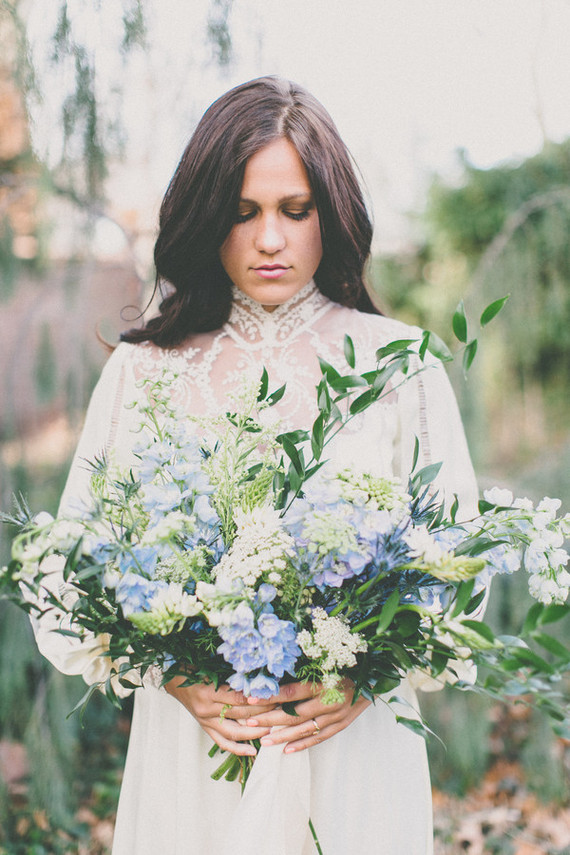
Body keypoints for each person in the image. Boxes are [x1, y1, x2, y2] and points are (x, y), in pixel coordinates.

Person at [33, 76, 478, 854]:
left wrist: (365, 680)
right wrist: (175, 674)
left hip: (351, 755)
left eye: (293, 210)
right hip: (196, 752)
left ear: (330, 214)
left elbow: (459, 572)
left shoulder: (401, 365)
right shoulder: (145, 372)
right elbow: (72, 570)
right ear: (208, 218)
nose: (269, 238)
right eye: (243, 212)